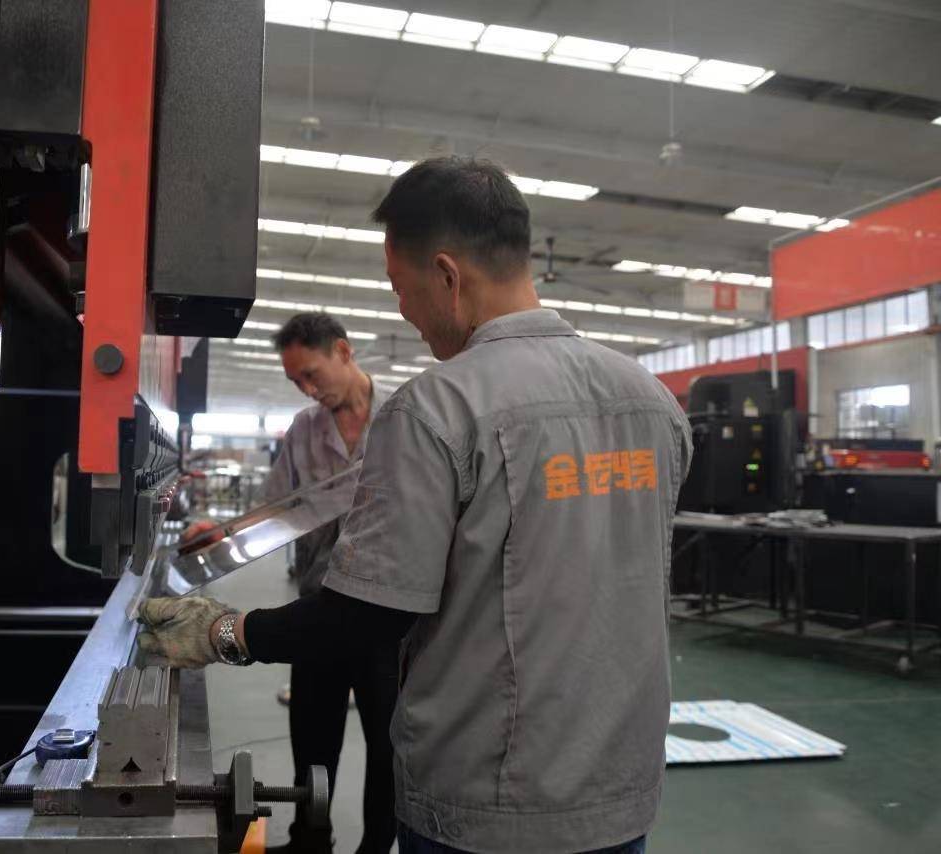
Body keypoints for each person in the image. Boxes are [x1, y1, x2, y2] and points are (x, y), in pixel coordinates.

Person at [142, 156, 692, 854]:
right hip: (620, 795)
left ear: (447, 275)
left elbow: (369, 615)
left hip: (484, 802)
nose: (403, 309)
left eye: (401, 289)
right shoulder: (653, 403)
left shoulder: (436, 409)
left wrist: (224, 631)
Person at [182, 312, 399, 854]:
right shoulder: (304, 429)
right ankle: (310, 841)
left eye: (311, 374)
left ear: (343, 352)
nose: (307, 389)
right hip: (320, 609)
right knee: (313, 738)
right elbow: (276, 508)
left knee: (389, 744)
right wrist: (222, 530)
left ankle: (377, 846)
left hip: (389, 615)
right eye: (296, 381)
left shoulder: (404, 419)